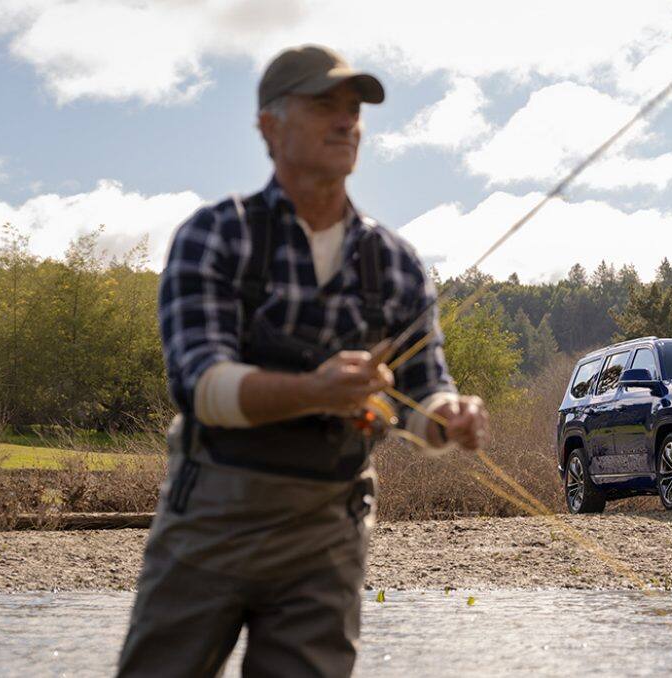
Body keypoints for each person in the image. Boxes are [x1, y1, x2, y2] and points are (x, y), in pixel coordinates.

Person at [119, 44, 488, 677]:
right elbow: (199, 384)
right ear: (270, 126)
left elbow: (423, 392)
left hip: (329, 531)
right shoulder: (215, 234)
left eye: (354, 110)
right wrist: (314, 390)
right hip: (210, 517)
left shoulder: (396, 262)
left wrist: (448, 418)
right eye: (324, 106)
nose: (346, 122)